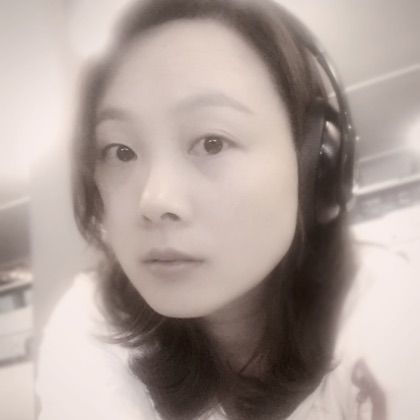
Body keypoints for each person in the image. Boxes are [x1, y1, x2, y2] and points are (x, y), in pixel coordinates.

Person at [36, 0, 420, 419]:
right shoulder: (91, 324)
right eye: (120, 151)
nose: (155, 201)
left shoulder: (393, 313)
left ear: (316, 164)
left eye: (212, 142)